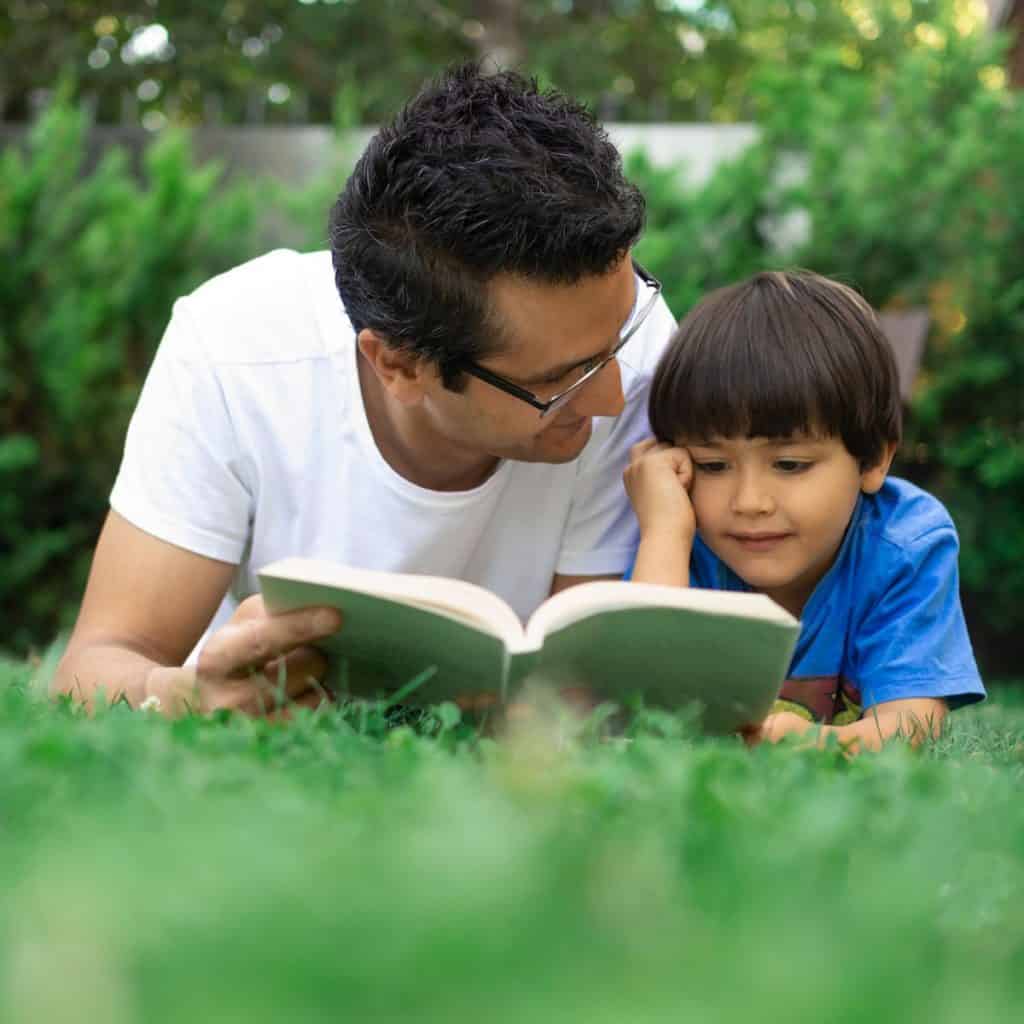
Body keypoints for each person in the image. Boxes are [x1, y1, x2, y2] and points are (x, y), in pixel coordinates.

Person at [54, 63, 676, 716]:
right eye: (558, 382)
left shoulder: (639, 351)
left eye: (620, 341)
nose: (612, 398)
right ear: (400, 365)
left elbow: (581, 693)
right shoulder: (236, 354)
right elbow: (95, 664)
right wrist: (179, 694)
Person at [624, 270, 985, 752]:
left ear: (873, 458)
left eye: (790, 464)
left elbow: (910, 724)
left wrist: (815, 743)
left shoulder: (904, 544)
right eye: (712, 465)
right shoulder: (679, 540)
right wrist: (664, 530)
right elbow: (645, 706)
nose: (749, 502)